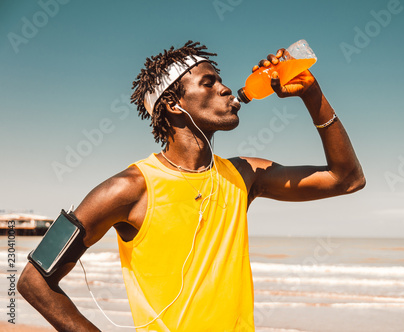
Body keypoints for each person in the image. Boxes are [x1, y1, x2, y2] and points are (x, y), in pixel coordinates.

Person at [18, 40, 365, 331]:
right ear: (173, 104)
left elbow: (347, 179)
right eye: (209, 82)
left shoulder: (243, 176)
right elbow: (34, 281)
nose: (225, 89)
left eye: (221, 81)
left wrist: (313, 96)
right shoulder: (128, 189)